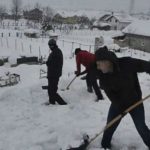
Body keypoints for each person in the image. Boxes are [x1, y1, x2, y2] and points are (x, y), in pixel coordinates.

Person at [95, 46, 150, 149]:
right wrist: (121, 109)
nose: (98, 67)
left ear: (106, 62)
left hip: (135, 102)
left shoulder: (127, 63)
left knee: (141, 127)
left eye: (99, 64)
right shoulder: (103, 77)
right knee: (110, 126)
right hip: (118, 104)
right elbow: (111, 95)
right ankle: (104, 146)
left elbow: (145, 65)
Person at [45, 39, 67, 105]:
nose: (49, 47)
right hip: (52, 74)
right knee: (50, 89)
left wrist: (48, 63)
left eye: (50, 46)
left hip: (54, 74)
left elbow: (55, 63)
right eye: (49, 46)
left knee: (52, 90)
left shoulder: (56, 52)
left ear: (53, 45)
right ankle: (52, 102)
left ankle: (63, 103)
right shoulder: (55, 51)